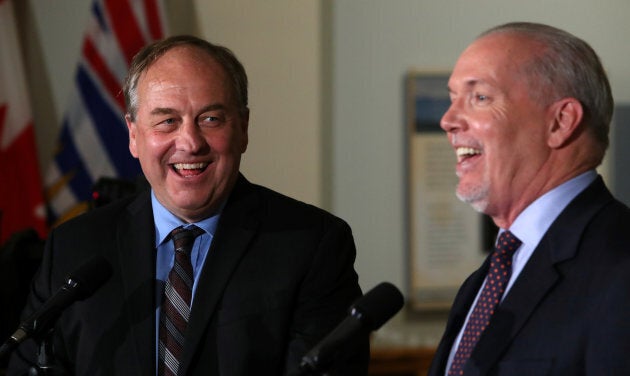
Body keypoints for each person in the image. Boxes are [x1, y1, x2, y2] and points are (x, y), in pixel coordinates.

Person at [6, 35, 369, 375]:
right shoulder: (74, 249)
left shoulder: (311, 245)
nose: (190, 142)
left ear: (243, 128)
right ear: (134, 135)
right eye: (167, 121)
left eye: (210, 119)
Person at [428, 22, 630, 375]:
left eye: (480, 98)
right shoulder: (486, 278)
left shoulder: (620, 267)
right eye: (451, 99)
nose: (447, 121)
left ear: (560, 122)